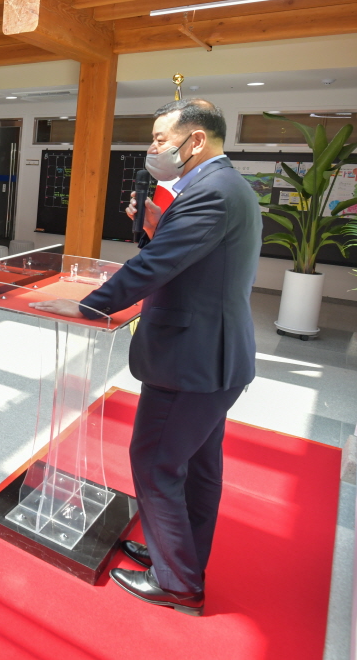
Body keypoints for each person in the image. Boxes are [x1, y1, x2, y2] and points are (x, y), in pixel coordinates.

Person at [33, 99, 261, 616]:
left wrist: (88, 304)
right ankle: (178, 557)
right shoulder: (224, 187)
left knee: (157, 462)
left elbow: (157, 264)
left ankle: (177, 582)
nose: (153, 148)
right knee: (198, 467)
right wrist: (157, 224)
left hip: (191, 358)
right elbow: (187, 258)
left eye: (160, 139)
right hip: (213, 356)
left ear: (195, 140)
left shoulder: (211, 193)